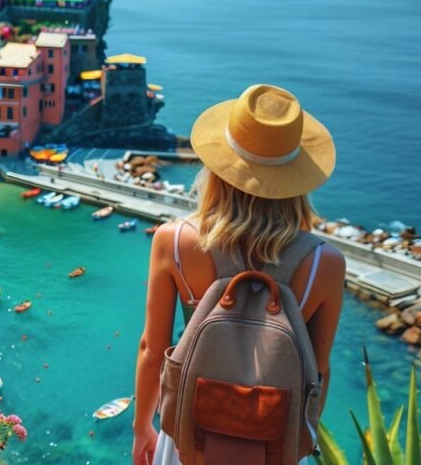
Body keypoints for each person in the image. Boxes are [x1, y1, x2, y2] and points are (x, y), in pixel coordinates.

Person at [132, 85, 346, 465]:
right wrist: (299, 445)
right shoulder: (323, 263)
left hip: (188, 439)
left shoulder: (175, 241)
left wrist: (142, 427)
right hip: (272, 443)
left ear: (218, 166)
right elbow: (320, 370)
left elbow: (152, 350)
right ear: (297, 179)